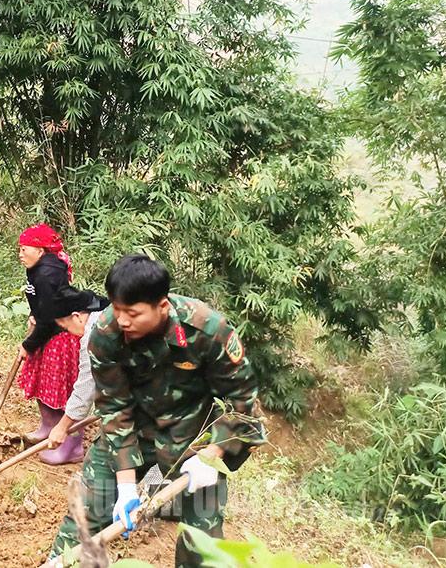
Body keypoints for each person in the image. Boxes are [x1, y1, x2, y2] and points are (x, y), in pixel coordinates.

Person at [48, 255, 264, 568]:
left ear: (162, 306)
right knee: (88, 509)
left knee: (202, 539)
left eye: (132, 313)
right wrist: (124, 487)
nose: (122, 320)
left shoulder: (207, 330)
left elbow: (244, 403)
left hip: (194, 439)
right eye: (117, 308)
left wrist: (212, 455)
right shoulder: (106, 335)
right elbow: (113, 406)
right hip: (132, 429)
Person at [14, 224, 76, 446]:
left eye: (24, 249)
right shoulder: (39, 267)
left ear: (40, 251)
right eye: (19, 249)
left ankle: (70, 445)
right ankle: (47, 427)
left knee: (59, 390)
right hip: (46, 333)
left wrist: (28, 345)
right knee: (42, 383)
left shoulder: (48, 273)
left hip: (58, 337)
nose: (20, 255)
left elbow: (50, 319)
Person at [35, 284, 108, 465]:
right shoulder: (104, 316)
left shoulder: (93, 336)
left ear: (76, 316)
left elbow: (85, 388)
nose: (65, 330)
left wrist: (62, 427)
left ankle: (155, 485)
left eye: (63, 325)